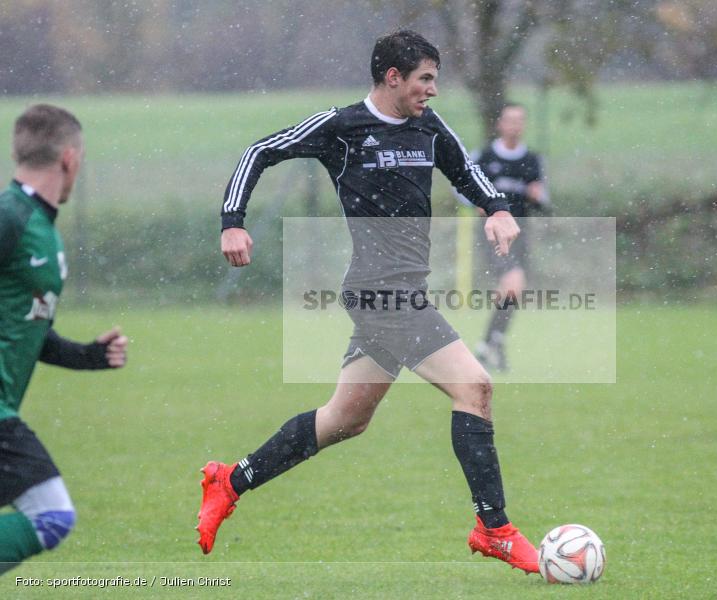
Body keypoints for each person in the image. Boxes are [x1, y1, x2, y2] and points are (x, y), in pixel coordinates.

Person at [197, 30, 540, 574]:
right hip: (380, 294)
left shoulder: (429, 127)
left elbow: (466, 171)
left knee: (344, 419)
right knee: (474, 387)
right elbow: (259, 151)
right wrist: (231, 222)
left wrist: (497, 208)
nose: (433, 90)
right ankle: (494, 528)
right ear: (393, 77)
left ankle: (229, 481)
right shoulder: (343, 127)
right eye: (425, 79)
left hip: (404, 292)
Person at [0, 104, 128, 575]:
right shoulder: (10, 217)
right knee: (50, 515)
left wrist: (88, 356)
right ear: (70, 159)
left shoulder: (38, 227)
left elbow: (27, 328)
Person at [470, 103, 549, 372]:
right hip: (492, 235)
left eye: (520, 120)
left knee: (511, 291)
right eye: (510, 119)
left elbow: (542, 198)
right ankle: (492, 343)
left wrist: (537, 197)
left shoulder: (532, 160)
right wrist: (483, 205)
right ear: (500, 124)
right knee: (513, 285)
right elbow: (469, 194)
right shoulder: (485, 157)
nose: (515, 125)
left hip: (520, 235)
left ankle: (490, 344)